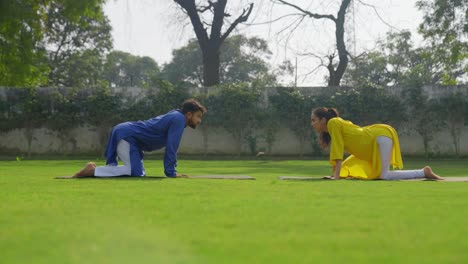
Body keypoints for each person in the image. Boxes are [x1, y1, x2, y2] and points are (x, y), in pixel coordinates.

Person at [73, 99, 207, 178]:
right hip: (127, 136)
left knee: (139, 173)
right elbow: (172, 147)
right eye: (198, 116)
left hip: (131, 139)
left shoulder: (177, 117)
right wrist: (171, 173)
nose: (199, 120)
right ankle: (93, 170)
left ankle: (95, 170)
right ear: (189, 114)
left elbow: (171, 146)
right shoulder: (178, 119)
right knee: (133, 171)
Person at [310, 107, 444, 180]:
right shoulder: (334, 126)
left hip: (380, 137)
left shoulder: (333, 122)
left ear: (323, 120)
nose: (312, 124)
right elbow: (339, 151)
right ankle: (423, 172)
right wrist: (335, 175)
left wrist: (336, 177)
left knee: (383, 176)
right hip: (374, 143)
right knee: (352, 166)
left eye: (314, 120)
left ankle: (423, 172)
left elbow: (337, 151)